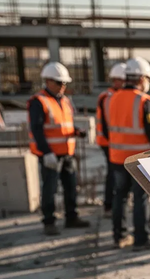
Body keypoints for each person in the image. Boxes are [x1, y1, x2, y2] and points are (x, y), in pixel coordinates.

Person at [107, 57, 150, 251]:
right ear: (141, 79)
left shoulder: (112, 97)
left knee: (120, 197)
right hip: (137, 161)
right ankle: (141, 239)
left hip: (116, 158)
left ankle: (119, 236)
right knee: (140, 199)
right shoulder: (145, 101)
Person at [28, 61, 90, 236]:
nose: (63, 86)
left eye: (64, 83)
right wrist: (46, 153)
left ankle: (71, 217)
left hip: (67, 154)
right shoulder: (39, 102)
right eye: (59, 82)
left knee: (71, 187)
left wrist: (77, 132)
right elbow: (37, 129)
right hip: (51, 155)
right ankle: (49, 222)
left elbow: (64, 126)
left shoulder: (64, 101)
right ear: (47, 81)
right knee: (50, 189)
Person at [96, 62, 126, 218]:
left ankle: (112, 206)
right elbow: (109, 124)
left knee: (117, 176)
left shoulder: (113, 96)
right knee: (114, 176)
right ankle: (109, 206)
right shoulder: (108, 97)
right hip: (109, 143)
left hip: (114, 142)